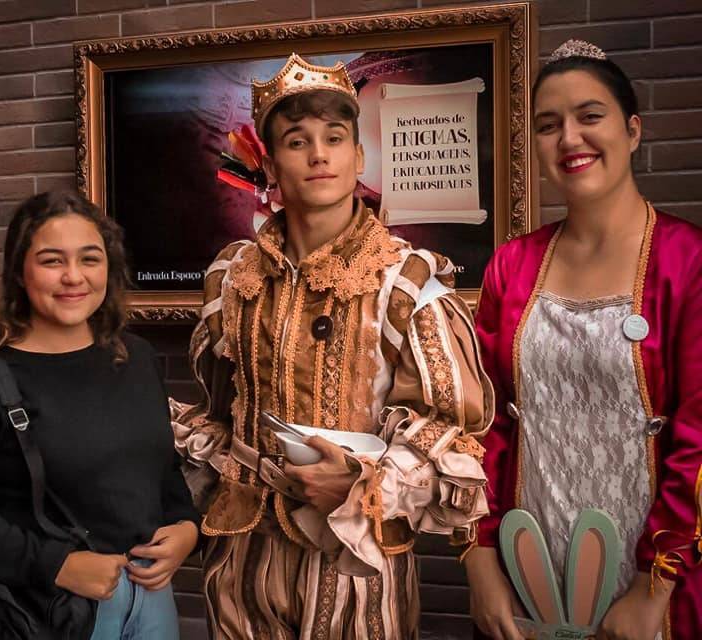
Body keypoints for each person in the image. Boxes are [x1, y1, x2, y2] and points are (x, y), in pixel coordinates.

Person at [172, 53, 494, 639]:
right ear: (271, 164)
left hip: (355, 562)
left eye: (334, 138)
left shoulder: (404, 281)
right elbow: (219, 412)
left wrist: (362, 485)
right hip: (244, 562)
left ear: (359, 157)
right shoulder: (233, 279)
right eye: (297, 141)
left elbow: (450, 428)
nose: (318, 154)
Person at [468, 40, 702, 640]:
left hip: (655, 585)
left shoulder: (688, 261)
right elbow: (483, 423)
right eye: (549, 125)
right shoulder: (512, 266)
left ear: (632, 129)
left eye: (589, 116)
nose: (569, 138)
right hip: (526, 571)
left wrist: (653, 588)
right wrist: (481, 560)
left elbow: (698, 437)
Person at [0, 192, 200, 640]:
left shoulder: (136, 358)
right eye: (52, 261)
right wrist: (57, 565)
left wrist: (187, 528)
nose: (73, 276)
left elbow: (161, 472)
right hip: (46, 610)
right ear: (19, 271)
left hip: (152, 600)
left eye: (90, 259)